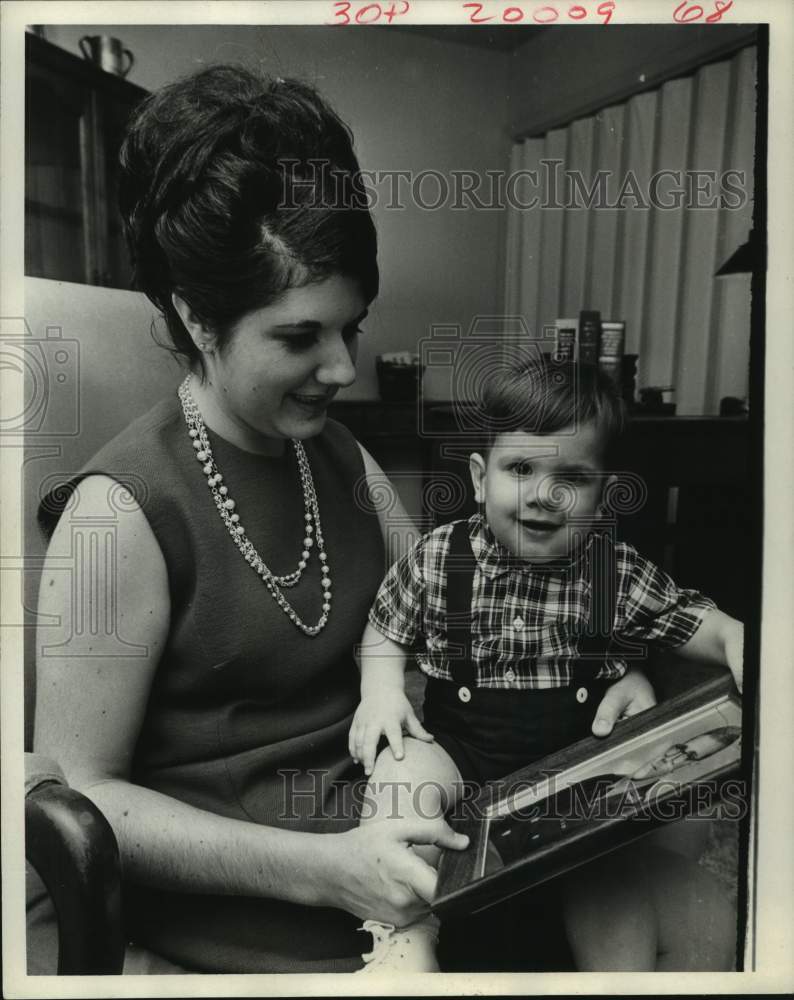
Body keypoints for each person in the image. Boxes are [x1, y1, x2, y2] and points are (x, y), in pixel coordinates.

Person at [31, 66, 655, 975]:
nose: (340, 367)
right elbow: (80, 800)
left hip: (424, 860)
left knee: (677, 859)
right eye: (299, 337)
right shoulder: (114, 516)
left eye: (350, 329)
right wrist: (328, 873)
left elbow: (468, 609)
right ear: (197, 317)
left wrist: (616, 675)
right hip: (283, 920)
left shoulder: (338, 453)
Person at [350, 358, 742, 972]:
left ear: (602, 494)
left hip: (576, 771)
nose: (543, 495)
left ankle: (613, 973)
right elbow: (384, 627)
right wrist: (380, 692)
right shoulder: (439, 558)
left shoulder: (611, 571)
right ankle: (407, 932)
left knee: (606, 872)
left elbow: (694, 621)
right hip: (462, 750)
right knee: (400, 779)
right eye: (521, 469)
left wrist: (739, 639)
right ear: (480, 478)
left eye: (572, 478)